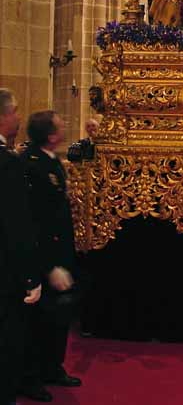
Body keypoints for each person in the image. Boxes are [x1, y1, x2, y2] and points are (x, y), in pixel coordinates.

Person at [20, 111, 81, 402]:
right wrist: (50, 266)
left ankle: (53, 367)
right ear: (51, 135)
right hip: (44, 256)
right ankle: (31, 378)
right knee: (39, 321)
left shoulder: (51, 160)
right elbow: (35, 222)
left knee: (59, 317)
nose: (66, 125)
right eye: (61, 124)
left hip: (61, 251)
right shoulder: (31, 164)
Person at [0, 89, 42, 405]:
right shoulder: (8, 164)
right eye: (14, 111)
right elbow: (17, 226)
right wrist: (31, 276)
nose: (18, 117)